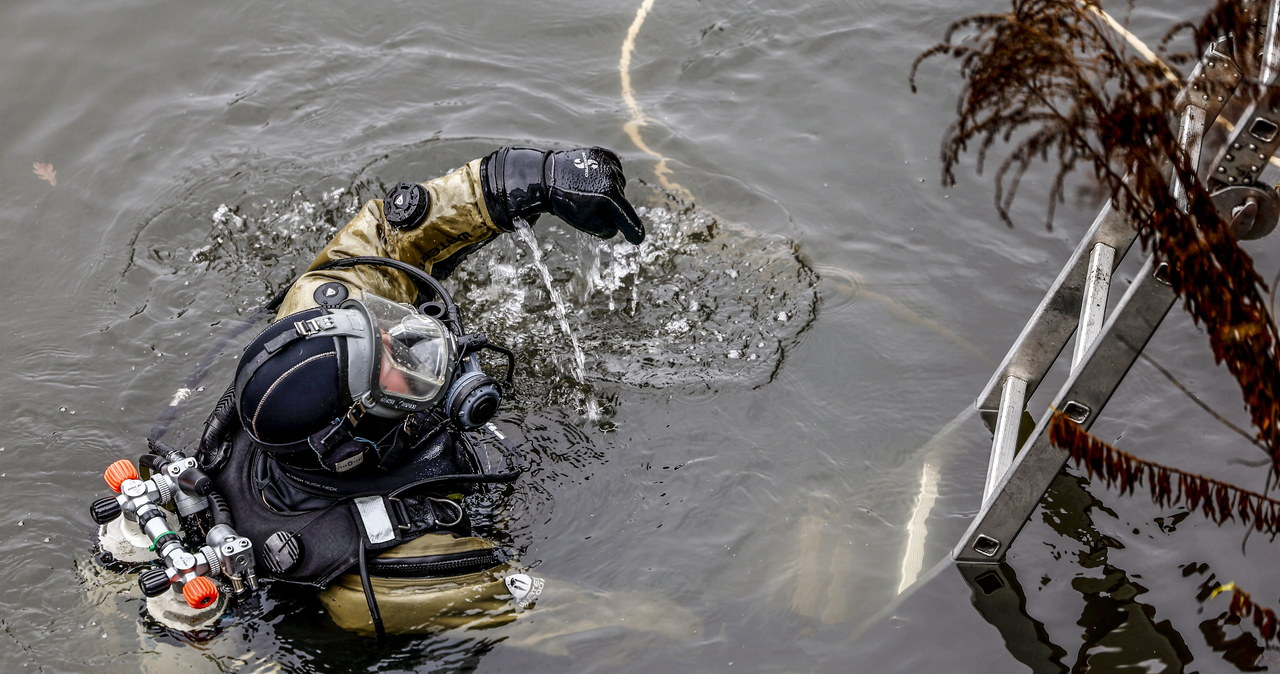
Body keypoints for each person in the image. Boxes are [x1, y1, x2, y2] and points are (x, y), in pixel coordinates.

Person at [195, 146, 645, 635]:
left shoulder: (319, 319)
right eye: (391, 371)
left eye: (381, 331)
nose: (406, 343)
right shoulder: (396, 582)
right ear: (355, 442)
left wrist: (524, 177)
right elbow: (599, 623)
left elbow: (390, 238)